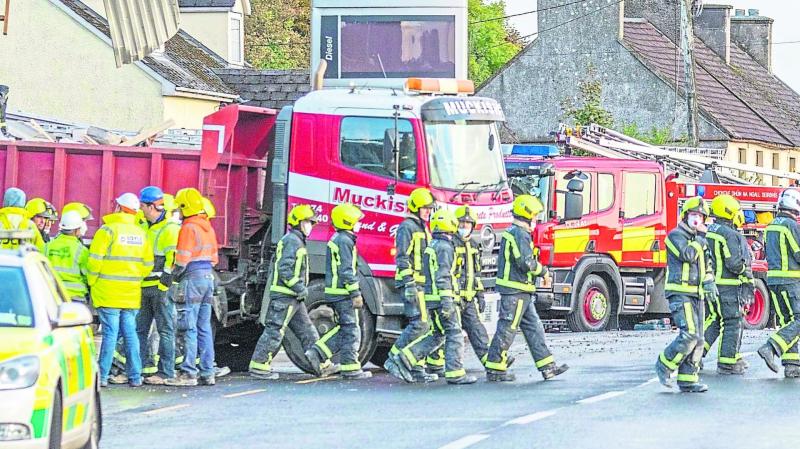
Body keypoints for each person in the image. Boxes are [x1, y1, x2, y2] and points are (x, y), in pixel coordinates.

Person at [484, 195, 568, 382]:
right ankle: (495, 368)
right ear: (527, 215)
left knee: (534, 328)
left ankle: (548, 367)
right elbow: (526, 263)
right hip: (515, 290)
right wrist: (544, 272)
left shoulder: (516, 232)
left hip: (522, 291)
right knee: (507, 328)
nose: (536, 220)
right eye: (535, 216)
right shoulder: (519, 234)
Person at [249, 204, 337, 380]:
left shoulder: (296, 240)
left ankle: (322, 364)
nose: (310, 226)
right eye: (307, 222)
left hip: (293, 297)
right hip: (285, 296)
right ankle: (259, 365)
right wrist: (299, 287)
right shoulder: (291, 241)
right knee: (275, 331)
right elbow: (285, 269)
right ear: (298, 222)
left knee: (307, 330)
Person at [397, 209, 478, 385]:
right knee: (454, 334)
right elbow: (444, 277)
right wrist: (448, 303)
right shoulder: (445, 247)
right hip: (443, 300)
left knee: (438, 334)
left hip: (432, 299)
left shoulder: (433, 244)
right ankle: (455, 373)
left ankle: (405, 358)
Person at [88, 193, 153, 387]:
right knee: (131, 334)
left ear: (118, 207)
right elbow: (148, 264)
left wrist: (93, 282)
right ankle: (135, 377)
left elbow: (94, 261)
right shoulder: (141, 234)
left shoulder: (107, 231)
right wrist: (134, 278)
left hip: (108, 293)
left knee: (110, 334)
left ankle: (104, 376)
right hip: (131, 293)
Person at [655, 196, 715, 393]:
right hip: (680, 293)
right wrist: (700, 238)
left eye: (700, 215)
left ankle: (688, 379)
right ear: (686, 215)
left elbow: (706, 265)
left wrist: (709, 282)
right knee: (689, 334)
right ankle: (665, 364)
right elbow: (687, 255)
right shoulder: (675, 236)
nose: (697, 219)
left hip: (697, 294)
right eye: (694, 214)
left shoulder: (699, 239)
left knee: (699, 339)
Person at [306, 203, 372, 380]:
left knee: (345, 328)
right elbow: (346, 270)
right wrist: (355, 293)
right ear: (347, 221)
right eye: (356, 220)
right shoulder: (344, 241)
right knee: (351, 329)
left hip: (337, 292)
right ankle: (351, 368)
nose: (359, 223)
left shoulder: (340, 238)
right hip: (342, 293)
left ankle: (317, 353)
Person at [166, 188, 220, 386]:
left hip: (192, 279)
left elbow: (181, 260)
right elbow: (214, 258)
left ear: (185, 208)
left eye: (179, 209)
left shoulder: (188, 228)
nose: (178, 214)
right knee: (203, 327)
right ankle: (207, 372)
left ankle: (188, 373)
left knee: (188, 327)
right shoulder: (208, 227)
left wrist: (171, 278)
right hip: (208, 278)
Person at [384, 188, 438, 383]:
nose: (428, 212)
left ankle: (416, 367)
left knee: (425, 326)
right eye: (424, 208)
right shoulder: (407, 227)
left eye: (429, 209)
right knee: (420, 323)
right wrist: (409, 284)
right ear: (415, 207)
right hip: (412, 283)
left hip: (422, 284)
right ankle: (394, 358)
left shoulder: (422, 227)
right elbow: (402, 257)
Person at [702, 195, 750, 375]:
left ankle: (694, 356)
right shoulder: (730, 234)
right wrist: (745, 268)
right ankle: (728, 362)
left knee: (714, 320)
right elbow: (734, 264)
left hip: (710, 285)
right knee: (732, 322)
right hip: (727, 286)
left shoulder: (708, 230)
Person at [137, 186, 180, 385]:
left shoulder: (169, 229)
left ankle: (166, 372)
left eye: (143, 205)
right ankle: (145, 368)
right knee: (140, 329)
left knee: (165, 329)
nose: (140, 209)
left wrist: (165, 282)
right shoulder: (144, 225)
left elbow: (174, 259)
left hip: (160, 288)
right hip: (144, 286)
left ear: (151, 206)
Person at [757, 188, 800, 378]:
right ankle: (771, 347)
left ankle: (791, 364)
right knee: (798, 320)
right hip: (790, 280)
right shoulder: (790, 226)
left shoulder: (772, 225)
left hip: (773, 280)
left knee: (787, 321)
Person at [44, 211, 89, 301]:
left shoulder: (48, 246)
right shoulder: (81, 250)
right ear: (76, 230)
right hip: (75, 296)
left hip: (52, 294)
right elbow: (87, 275)